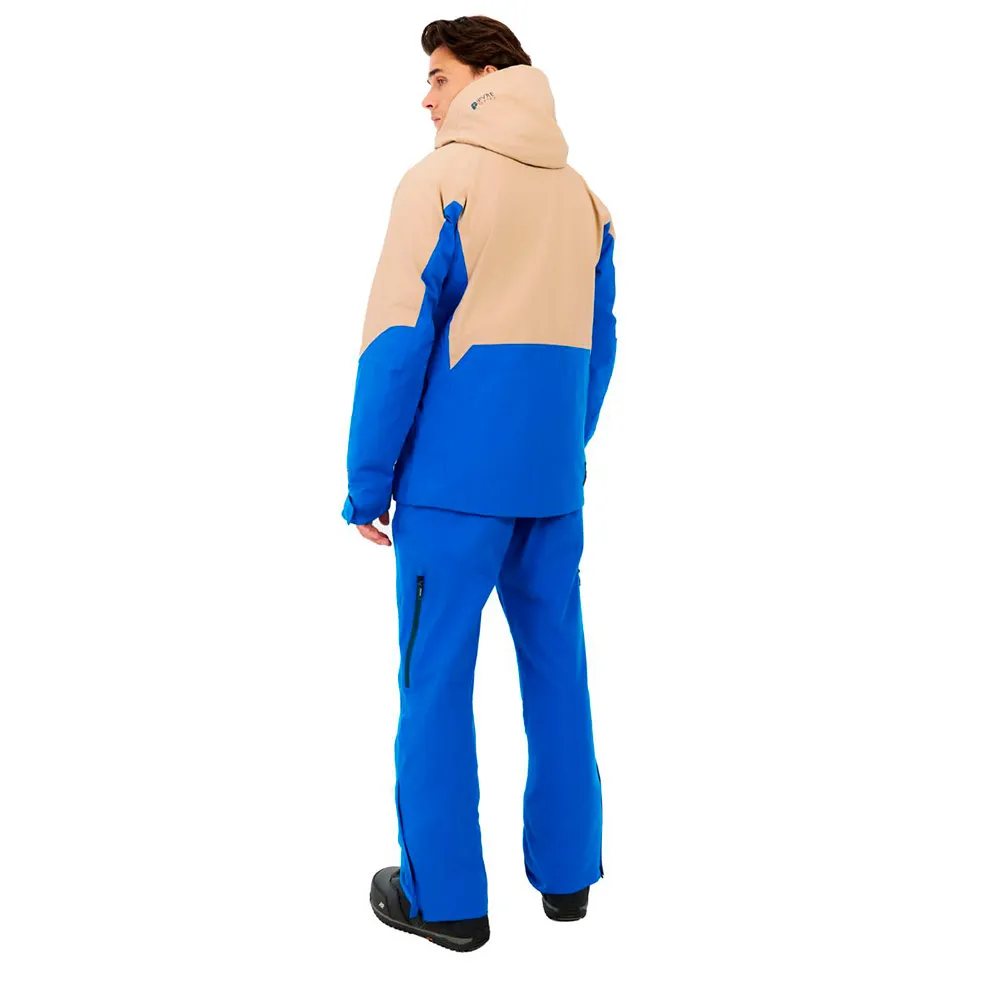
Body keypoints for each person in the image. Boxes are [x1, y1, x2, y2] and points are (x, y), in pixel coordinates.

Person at [341, 16, 617, 952]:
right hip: (551, 487)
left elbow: (395, 342)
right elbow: (599, 349)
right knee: (558, 674)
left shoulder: (440, 182)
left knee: (434, 685)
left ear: (486, 75)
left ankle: (445, 900)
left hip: (451, 491)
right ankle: (569, 879)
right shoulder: (583, 198)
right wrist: (558, 451)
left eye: (438, 75)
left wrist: (367, 481)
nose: (426, 96)